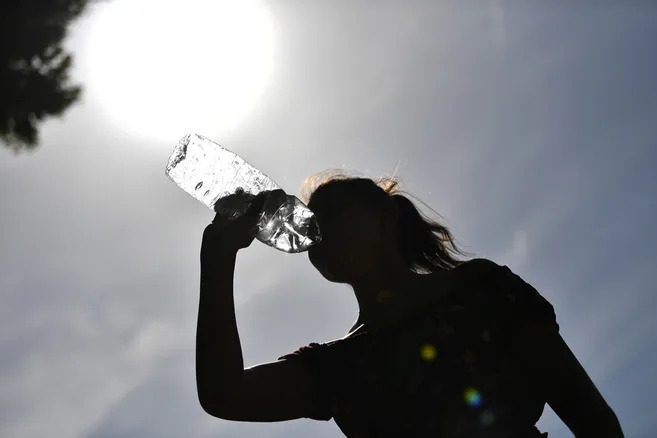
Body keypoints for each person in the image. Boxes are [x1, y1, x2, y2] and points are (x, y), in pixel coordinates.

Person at [195, 170, 624, 437]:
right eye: (311, 225)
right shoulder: (338, 366)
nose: (318, 233)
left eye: (335, 215)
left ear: (387, 218)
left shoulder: (481, 288)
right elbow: (225, 395)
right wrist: (217, 259)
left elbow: (587, 413)